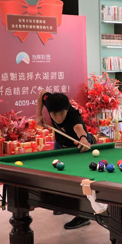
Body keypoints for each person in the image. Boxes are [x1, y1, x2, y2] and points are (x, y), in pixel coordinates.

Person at [36, 91, 94, 229]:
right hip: (60, 145)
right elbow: (42, 94)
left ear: (67, 109)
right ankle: (65, 205)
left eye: (61, 113)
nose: (58, 118)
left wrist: (83, 139)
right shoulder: (51, 101)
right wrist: (38, 115)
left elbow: (79, 129)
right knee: (59, 175)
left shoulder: (74, 117)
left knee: (79, 180)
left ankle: (83, 215)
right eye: (54, 115)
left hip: (79, 147)